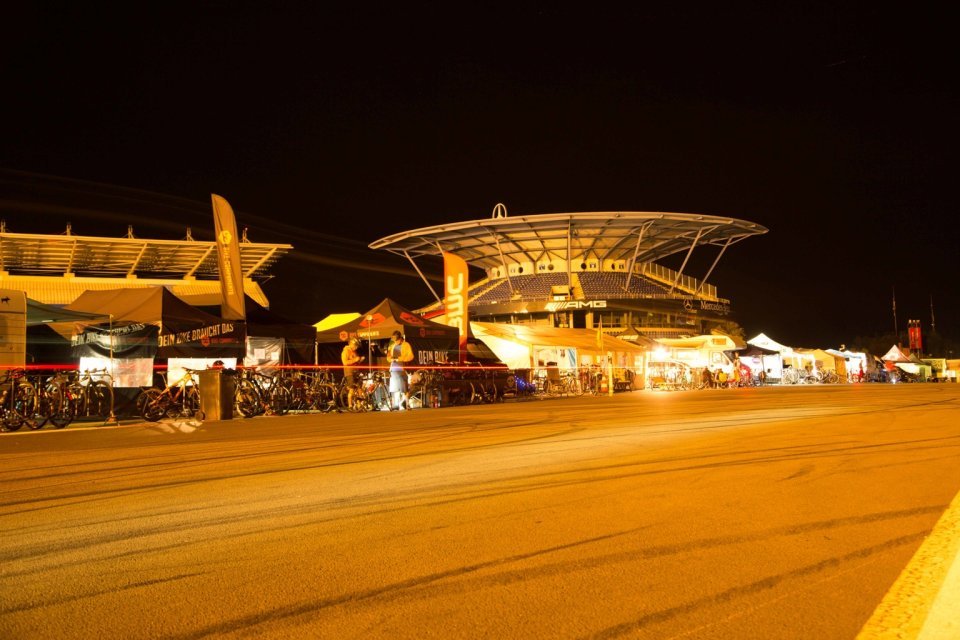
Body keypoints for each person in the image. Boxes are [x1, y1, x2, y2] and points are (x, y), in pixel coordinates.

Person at [387, 330, 414, 410]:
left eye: (397, 340)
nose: (396, 341)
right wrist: (390, 359)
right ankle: (396, 404)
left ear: (400, 338)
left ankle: (407, 404)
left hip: (402, 367)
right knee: (395, 387)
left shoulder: (406, 345)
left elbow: (411, 356)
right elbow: (388, 357)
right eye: (395, 340)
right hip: (393, 368)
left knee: (404, 387)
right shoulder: (392, 346)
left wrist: (399, 359)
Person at [341, 338, 365, 409]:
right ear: (351, 344)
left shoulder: (354, 352)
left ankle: (359, 404)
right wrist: (355, 359)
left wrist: (360, 360)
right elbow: (345, 362)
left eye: (357, 346)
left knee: (359, 388)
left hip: (356, 372)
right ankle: (350, 405)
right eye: (356, 346)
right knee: (351, 388)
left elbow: (356, 362)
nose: (356, 347)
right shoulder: (345, 351)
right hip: (349, 372)